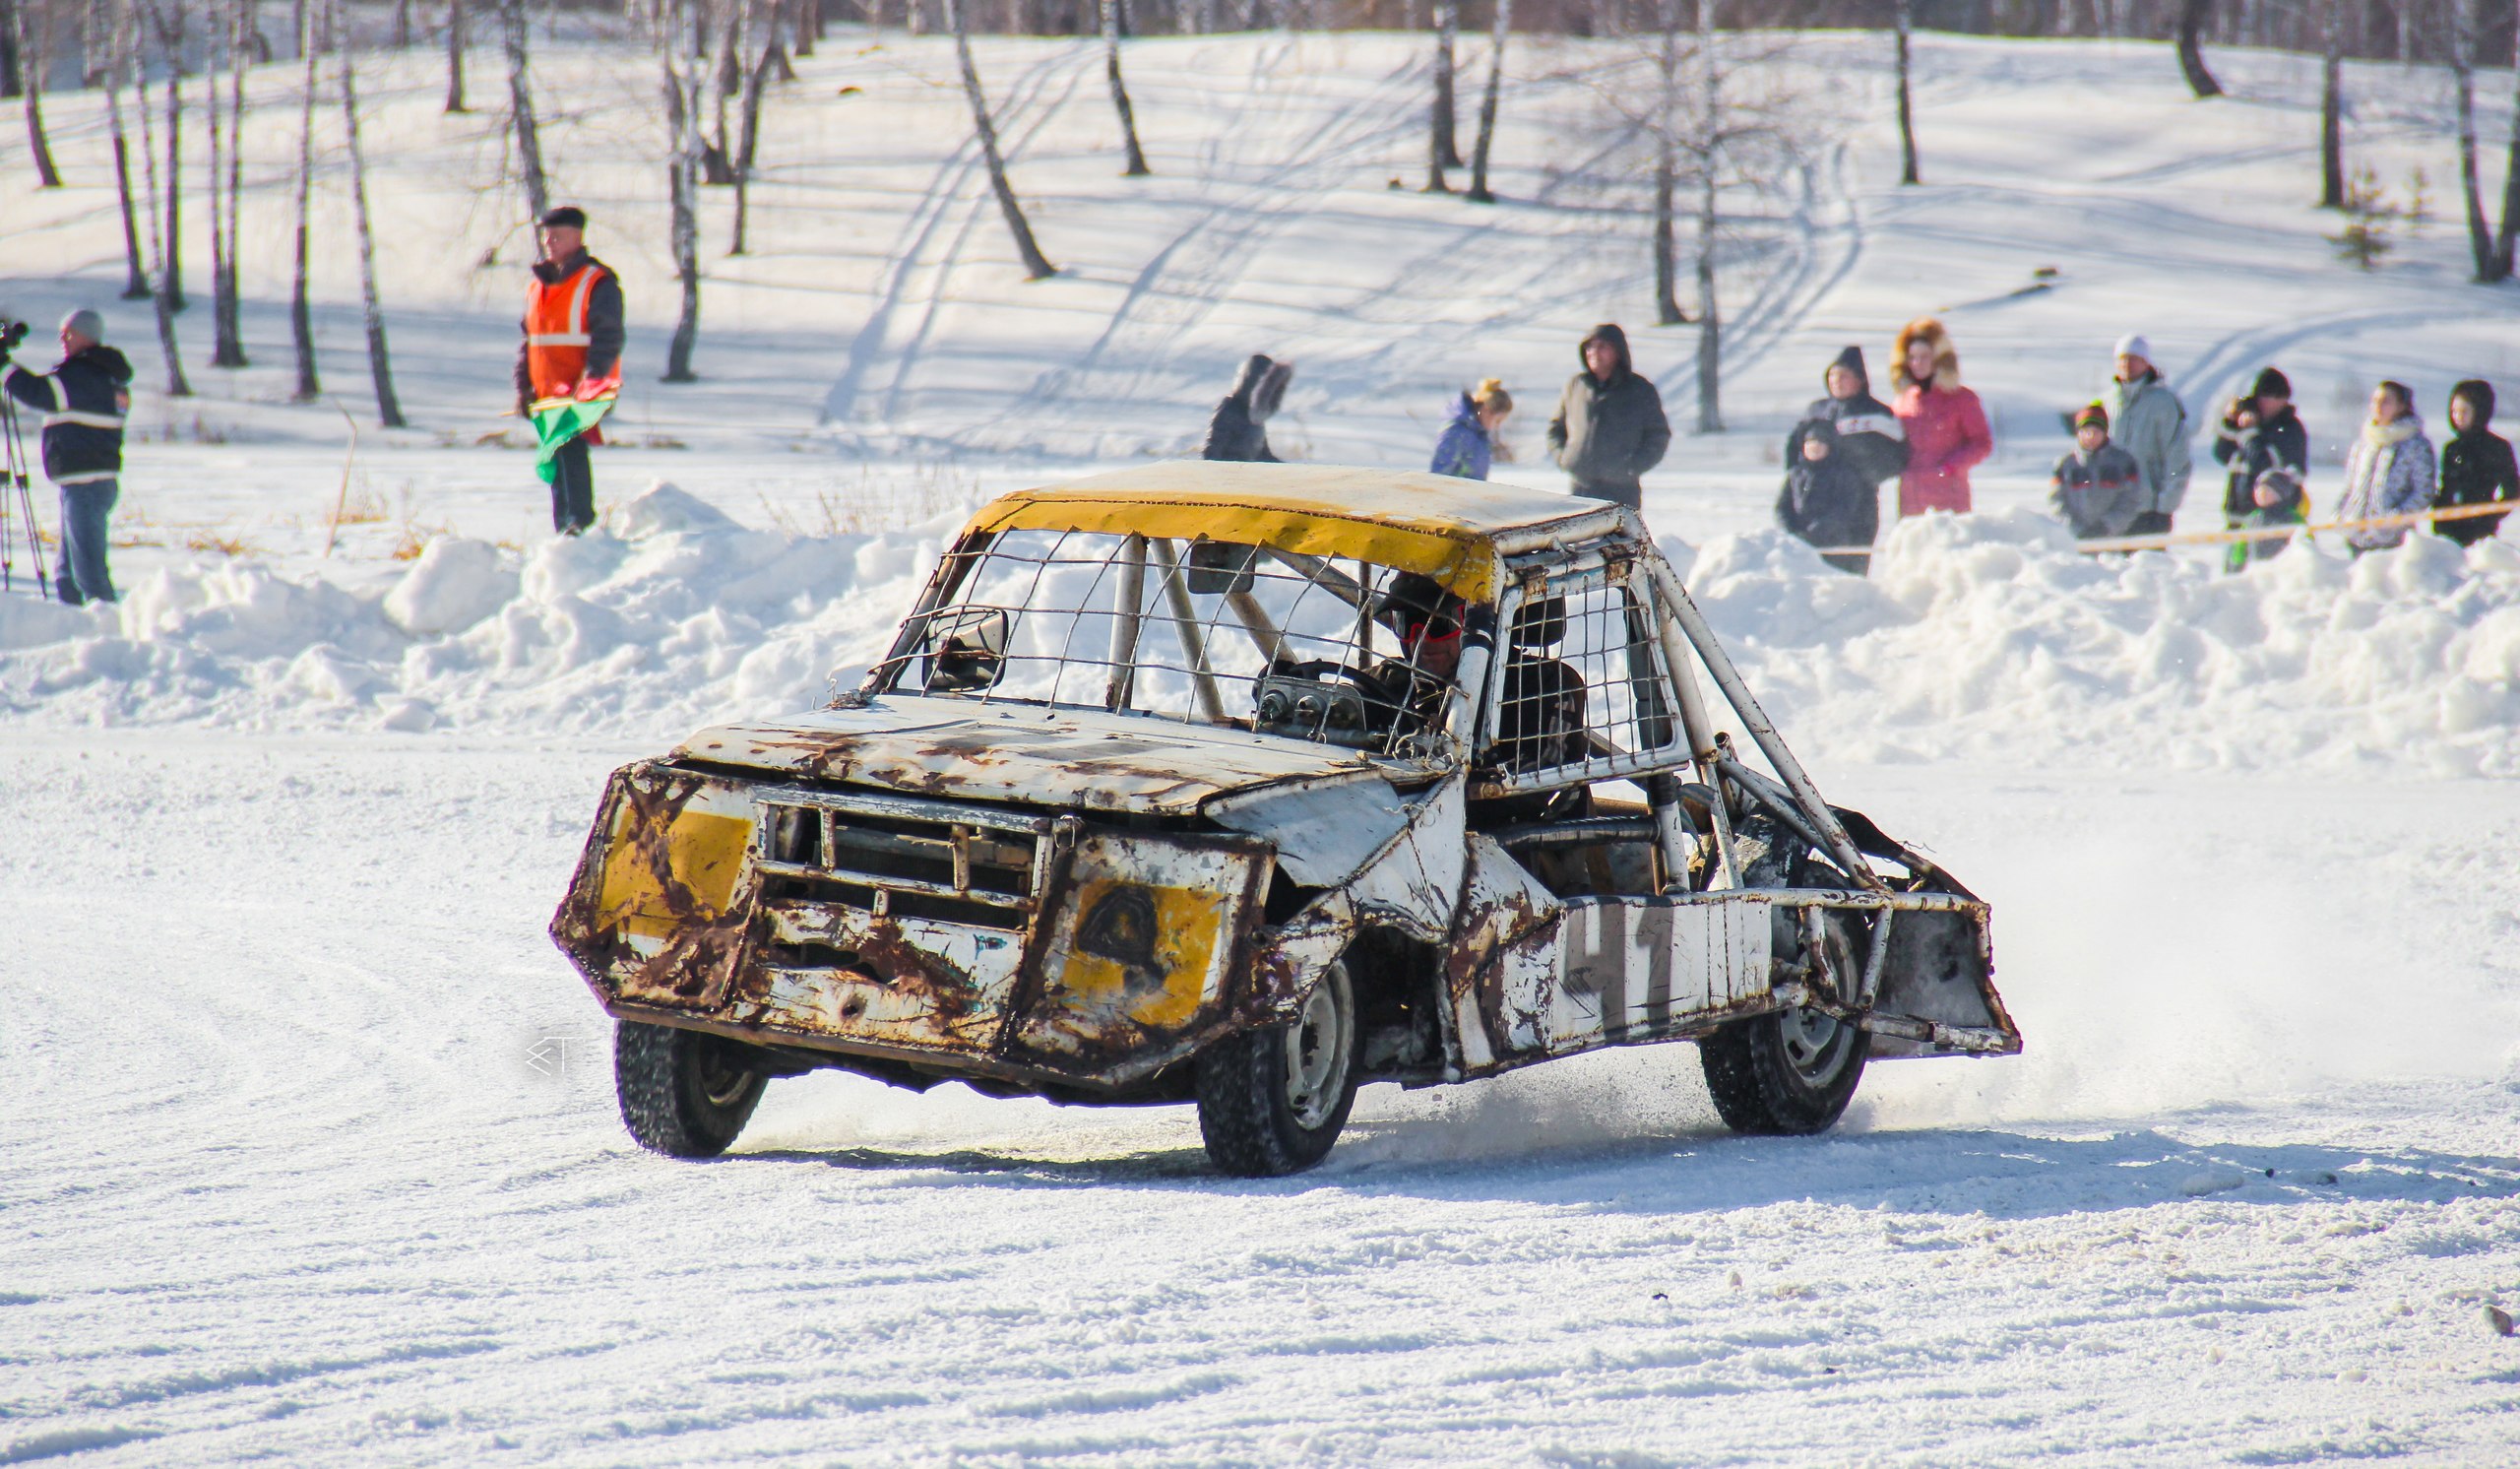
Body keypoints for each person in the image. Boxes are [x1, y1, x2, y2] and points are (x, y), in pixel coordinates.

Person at [1, 308, 134, 606]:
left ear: (85, 336)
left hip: (86, 483)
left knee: (89, 575)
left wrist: (4, 367)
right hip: (89, 482)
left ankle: (109, 630)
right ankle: (75, 622)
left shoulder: (84, 375)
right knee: (68, 575)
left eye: (68, 333)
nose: (62, 338)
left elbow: (39, 392)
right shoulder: (107, 376)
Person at [515, 205, 624, 537]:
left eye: (557, 234)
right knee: (557, 457)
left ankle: (577, 527)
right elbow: (530, 341)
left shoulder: (598, 282)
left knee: (571, 453)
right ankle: (566, 530)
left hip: (579, 388)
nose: (549, 241)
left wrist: (590, 383)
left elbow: (608, 338)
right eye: (546, 235)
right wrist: (524, 386)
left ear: (577, 236)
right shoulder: (538, 285)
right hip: (546, 390)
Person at [1779, 346, 1906, 571]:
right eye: (1832, 376)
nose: (1836, 381)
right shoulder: (1817, 410)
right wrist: (1796, 477)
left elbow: (1896, 458)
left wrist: (1861, 474)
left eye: (1844, 376)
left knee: (1849, 568)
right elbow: (1795, 449)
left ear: (1859, 380)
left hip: (1858, 505)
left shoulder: (1877, 413)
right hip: (1811, 501)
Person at [1544, 324, 1670, 510]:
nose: (1594, 352)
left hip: (1622, 491)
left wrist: (1631, 467)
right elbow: (1555, 429)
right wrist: (1565, 458)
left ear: (1618, 351)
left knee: (1617, 540)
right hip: (1581, 487)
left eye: (1602, 346)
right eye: (1589, 347)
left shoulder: (1640, 389)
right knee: (1580, 539)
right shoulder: (1576, 386)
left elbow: (1658, 435)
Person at [1888, 317, 1991, 517]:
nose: (1917, 363)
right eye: (1912, 357)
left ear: (1939, 358)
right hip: (1911, 497)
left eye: (1925, 356)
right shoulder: (1902, 401)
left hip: (1949, 497)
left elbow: (1982, 443)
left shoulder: (1962, 398)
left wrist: (1951, 467)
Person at [2211, 366, 2309, 571]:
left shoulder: (2290, 429)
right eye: (2263, 396)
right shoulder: (2251, 425)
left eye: (2274, 397)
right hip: (2238, 519)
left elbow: (2263, 464)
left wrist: (2250, 434)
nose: (2267, 402)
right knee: (2233, 583)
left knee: (2261, 581)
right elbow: (2222, 453)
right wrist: (2231, 422)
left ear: (2284, 400)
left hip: (2272, 523)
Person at [2102, 334, 2192, 538]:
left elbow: (2178, 456)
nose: (2127, 364)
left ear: (2146, 362)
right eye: (2122, 359)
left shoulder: (2164, 402)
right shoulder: (2106, 402)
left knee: (2146, 568)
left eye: (2134, 358)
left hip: (2148, 510)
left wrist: (2166, 505)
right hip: (2110, 510)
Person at [2336, 380, 2436, 554]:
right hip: (2355, 537)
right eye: (2375, 400)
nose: (2378, 406)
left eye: (2386, 401)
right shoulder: (2362, 444)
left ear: (2401, 406)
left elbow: (2424, 492)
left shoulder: (2416, 445)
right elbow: (2349, 487)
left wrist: (2395, 518)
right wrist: (2339, 514)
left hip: (2392, 541)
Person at [1776, 420, 1881, 573]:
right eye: (1810, 444)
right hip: (1798, 541)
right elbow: (1782, 507)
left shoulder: (1844, 474)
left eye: (1820, 444)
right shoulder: (1796, 474)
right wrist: (1790, 529)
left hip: (1834, 543)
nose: (1815, 449)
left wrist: (1818, 530)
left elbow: (1844, 508)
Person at [2434, 379, 2517, 546]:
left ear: (2479, 412)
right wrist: (2438, 515)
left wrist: (2490, 514)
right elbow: (2445, 489)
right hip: (2447, 531)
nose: (2458, 417)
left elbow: (2512, 491)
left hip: (2481, 532)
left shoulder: (2497, 447)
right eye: (2454, 411)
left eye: (2464, 411)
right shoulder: (2452, 448)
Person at [2048, 404, 2147, 541]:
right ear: (2078, 433)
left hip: (2115, 538)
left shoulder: (2123, 462)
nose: (2091, 437)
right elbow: (2056, 502)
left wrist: (2106, 526)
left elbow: (2131, 500)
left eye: (2096, 432)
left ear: (2105, 432)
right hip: (2075, 539)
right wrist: (2075, 528)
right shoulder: (2065, 465)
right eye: (2086, 431)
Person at [1204, 354, 1292, 463]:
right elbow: (1213, 448)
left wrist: (1284, 469)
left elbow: (1262, 453)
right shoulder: (1230, 409)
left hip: (1245, 473)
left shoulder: (1255, 415)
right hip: (1227, 474)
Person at [1430, 378, 1513, 480]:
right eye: (1497, 420)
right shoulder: (1457, 432)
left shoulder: (1480, 435)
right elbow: (1439, 474)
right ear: (1486, 410)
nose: (1498, 426)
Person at [2232, 465, 2308, 563]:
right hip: (2257, 568)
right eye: (2258, 491)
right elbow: (2242, 542)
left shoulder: (2293, 518)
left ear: (2280, 495)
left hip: (2285, 569)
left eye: (2266, 492)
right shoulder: (2254, 517)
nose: (2261, 496)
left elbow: (2306, 542)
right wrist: (2238, 561)